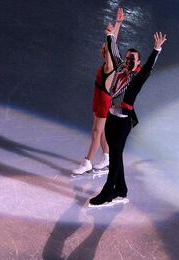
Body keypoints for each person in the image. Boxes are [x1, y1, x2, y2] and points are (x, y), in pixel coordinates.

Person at [89, 26, 167, 206]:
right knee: (117, 155)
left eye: (133, 59)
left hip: (123, 123)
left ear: (138, 62)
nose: (129, 61)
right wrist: (109, 35)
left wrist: (156, 49)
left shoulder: (137, 77)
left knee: (115, 158)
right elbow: (114, 50)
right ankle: (122, 189)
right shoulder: (119, 70)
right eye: (128, 57)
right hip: (110, 118)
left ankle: (108, 193)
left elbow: (148, 68)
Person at [72, 8, 124, 176]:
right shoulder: (109, 65)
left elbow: (111, 45)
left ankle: (87, 162)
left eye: (105, 49)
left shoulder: (110, 66)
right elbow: (112, 44)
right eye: (103, 48)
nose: (103, 49)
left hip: (103, 102)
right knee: (101, 132)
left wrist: (111, 33)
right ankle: (107, 158)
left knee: (96, 132)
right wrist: (118, 24)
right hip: (99, 99)